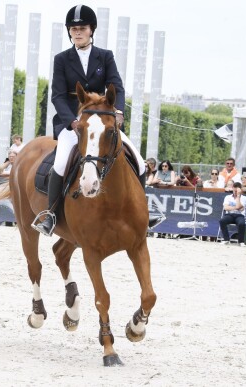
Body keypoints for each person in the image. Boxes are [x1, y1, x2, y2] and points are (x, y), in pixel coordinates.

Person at [33, 4, 159, 236]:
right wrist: (72, 120)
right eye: (73, 29)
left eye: (82, 28)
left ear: (91, 30)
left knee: (139, 161)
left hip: (102, 121)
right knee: (61, 162)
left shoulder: (105, 56)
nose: (77, 32)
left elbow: (117, 87)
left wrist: (118, 111)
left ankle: (144, 212)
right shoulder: (62, 59)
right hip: (73, 120)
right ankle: (50, 214)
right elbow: (58, 95)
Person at [219, 182, 246, 246]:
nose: (235, 192)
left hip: (239, 215)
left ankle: (241, 241)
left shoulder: (244, 198)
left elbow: (240, 208)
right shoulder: (228, 197)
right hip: (229, 215)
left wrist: (238, 196)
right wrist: (236, 207)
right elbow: (226, 207)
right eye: (234, 190)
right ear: (232, 189)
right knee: (222, 221)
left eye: (236, 191)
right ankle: (226, 239)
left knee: (242, 223)